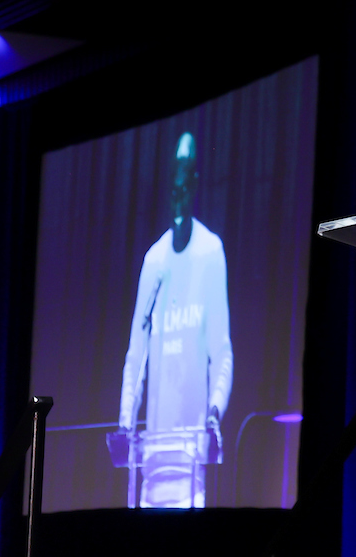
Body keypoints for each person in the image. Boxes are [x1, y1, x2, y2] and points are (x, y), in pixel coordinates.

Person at [118, 131, 233, 508]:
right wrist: (124, 421)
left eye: (185, 185)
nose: (179, 195)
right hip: (150, 463)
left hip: (190, 464)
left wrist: (215, 410)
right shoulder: (154, 261)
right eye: (173, 188)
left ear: (195, 184)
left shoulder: (209, 252)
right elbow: (136, 355)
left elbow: (222, 352)